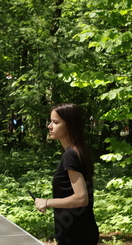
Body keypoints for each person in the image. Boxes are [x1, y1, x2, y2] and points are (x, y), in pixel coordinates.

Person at [34, 103, 99, 245]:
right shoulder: (78, 151)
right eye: (50, 121)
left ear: (70, 125)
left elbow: (81, 198)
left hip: (76, 236)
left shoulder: (71, 155)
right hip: (79, 232)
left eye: (55, 122)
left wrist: (47, 202)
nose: (49, 126)